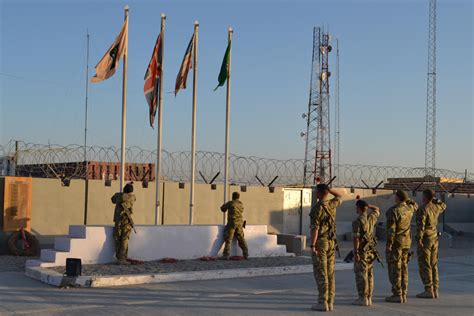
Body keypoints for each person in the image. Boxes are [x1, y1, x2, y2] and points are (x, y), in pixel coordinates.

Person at [309, 184, 342, 312]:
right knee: (330, 273)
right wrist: (329, 188)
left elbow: (315, 229)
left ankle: (322, 302)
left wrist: (312, 245)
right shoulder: (332, 204)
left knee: (321, 273)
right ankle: (330, 302)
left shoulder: (317, 208)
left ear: (318, 193)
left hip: (321, 242)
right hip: (331, 242)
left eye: (316, 191)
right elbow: (339, 195)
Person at [385, 190, 418, 303]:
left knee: (395, 268)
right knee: (404, 267)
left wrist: (389, 244)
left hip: (396, 243)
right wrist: (406, 199)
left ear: (398, 197)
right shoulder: (410, 209)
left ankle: (397, 294)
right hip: (406, 242)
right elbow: (415, 205)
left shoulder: (393, 211)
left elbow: (391, 230)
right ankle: (404, 292)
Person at [416, 189, 447, 299]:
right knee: (433, 264)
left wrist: (419, 239)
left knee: (425, 264)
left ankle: (428, 289)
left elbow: (421, 226)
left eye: (423, 195)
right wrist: (435, 199)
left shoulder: (423, 209)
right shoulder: (436, 207)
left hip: (426, 238)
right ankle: (435, 289)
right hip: (434, 237)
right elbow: (443, 205)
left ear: (425, 197)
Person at [352, 200, 381, 307]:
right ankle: (369, 297)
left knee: (361, 274)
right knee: (369, 274)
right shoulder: (371, 218)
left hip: (362, 251)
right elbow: (377, 209)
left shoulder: (357, 221)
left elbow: (356, 239)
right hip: (370, 251)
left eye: (356, 207)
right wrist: (369, 205)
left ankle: (362, 298)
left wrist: (356, 253)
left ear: (359, 208)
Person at [111, 183, 136, 265]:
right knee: (124, 239)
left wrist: (121, 193)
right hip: (126, 220)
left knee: (117, 238)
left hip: (118, 220)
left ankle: (119, 257)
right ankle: (122, 258)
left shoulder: (118, 196)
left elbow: (113, 199)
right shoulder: (132, 197)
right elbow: (132, 198)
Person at [220, 192, 248, 259]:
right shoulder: (241, 204)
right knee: (241, 239)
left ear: (232, 196)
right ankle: (246, 253)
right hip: (240, 224)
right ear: (238, 197)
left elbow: (223, 209)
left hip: (232, 223)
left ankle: (226, 255)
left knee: (228, 239)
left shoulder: (231, 203)